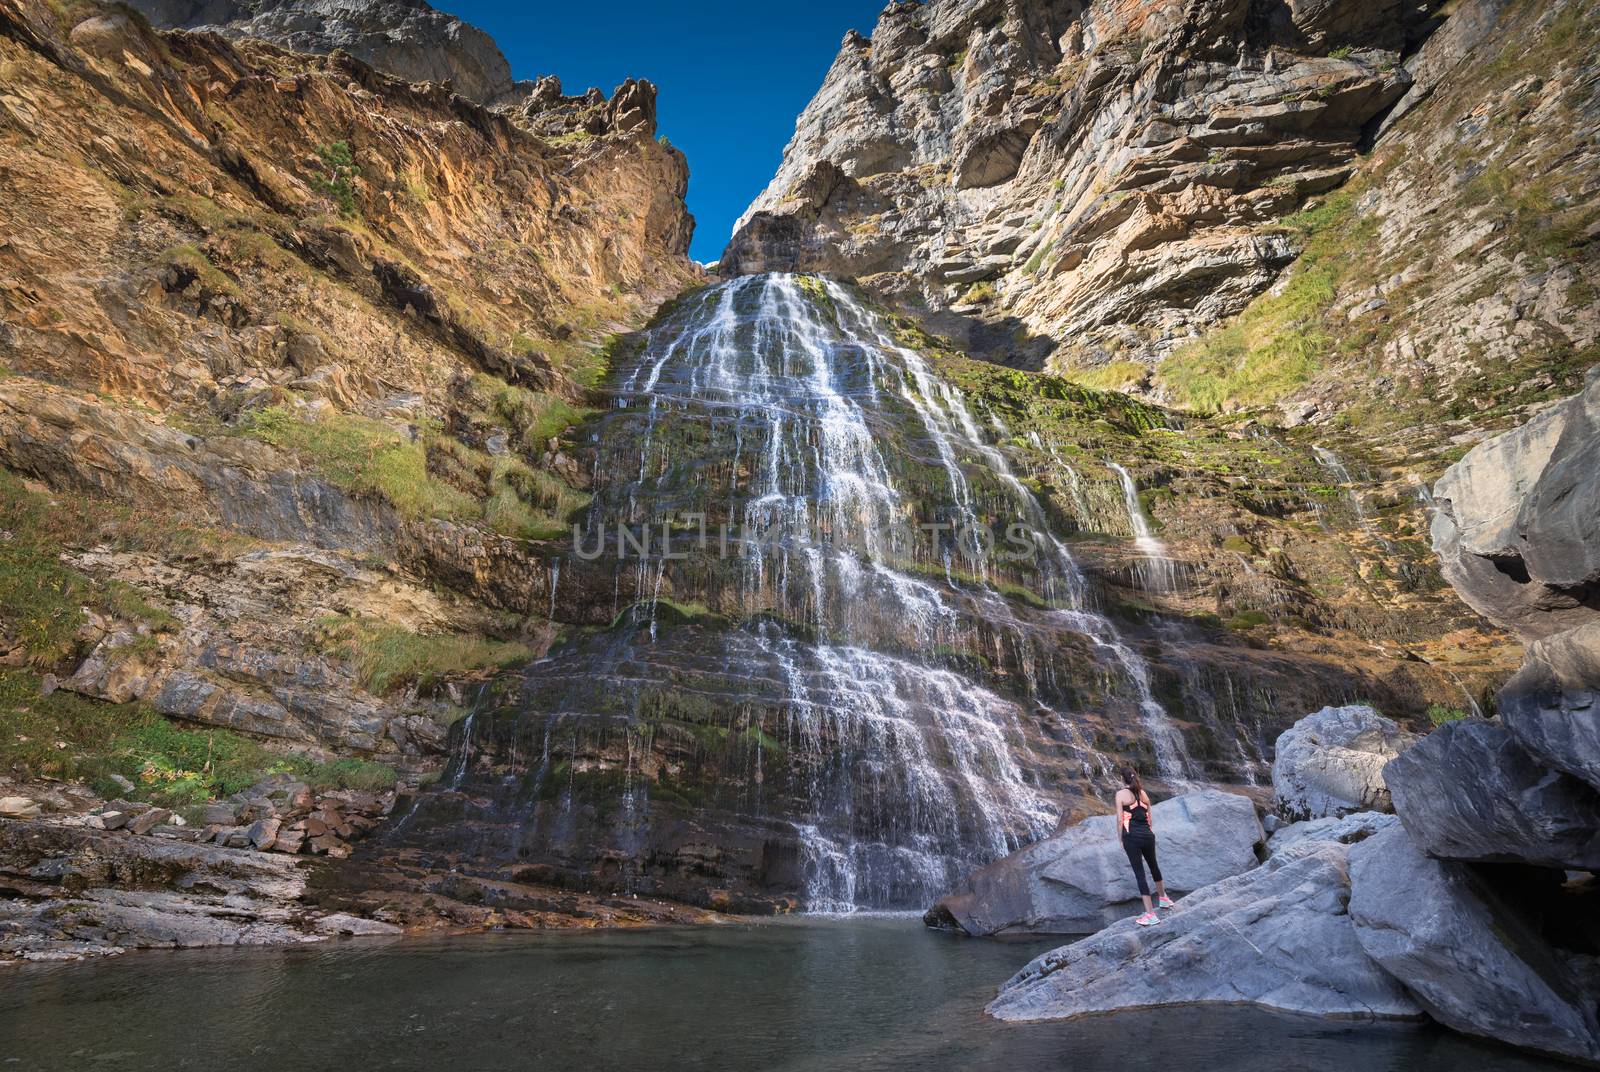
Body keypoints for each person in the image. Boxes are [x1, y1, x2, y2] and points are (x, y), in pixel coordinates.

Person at [1116, 766, 1173, 926]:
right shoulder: (1143, 793)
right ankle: (1164, 899)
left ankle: (1150, 914)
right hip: (1148, 835)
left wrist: (1120, 838)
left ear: (1122, 779)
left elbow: (1120, 820)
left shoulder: (1120, 794)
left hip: (1132, 838)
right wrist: (1148, 831)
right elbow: (1149, 816)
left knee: (1140, 874)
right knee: (1154, 865)